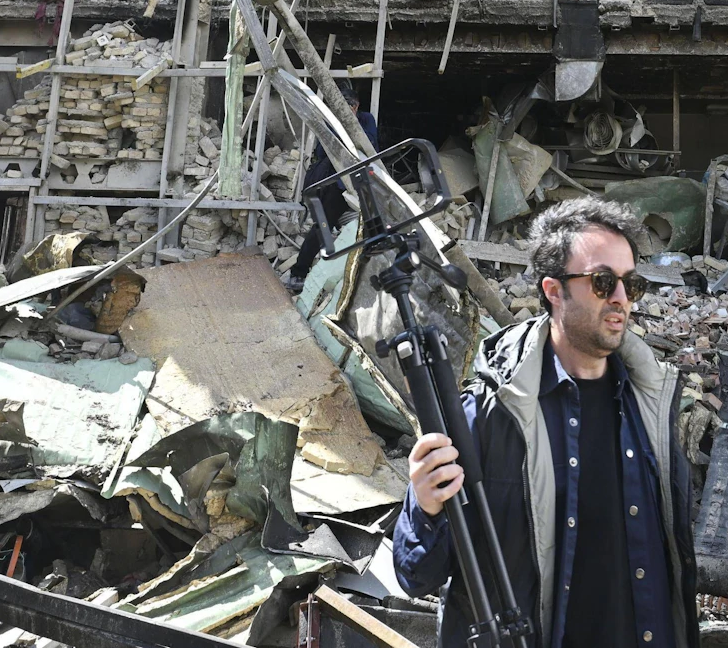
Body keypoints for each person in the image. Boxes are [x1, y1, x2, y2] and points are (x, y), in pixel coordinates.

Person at [393, 196, 698, 648]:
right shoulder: (491, 415)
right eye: (602, 281)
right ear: (554, 291)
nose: (620, 299)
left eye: (630, 284)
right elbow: (417, 577)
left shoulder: (652, 405)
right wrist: (425, 506)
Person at [286, 79, 377, 289]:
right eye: (341, 109)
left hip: (359, 183)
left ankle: (360, 278)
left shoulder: (365, 119)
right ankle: (299, 273)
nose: (347, 112)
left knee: (369, 228)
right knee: (322, 228)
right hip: (336, 185)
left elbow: (370, 145)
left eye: (350, 108)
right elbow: (321, 152)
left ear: (356, 106)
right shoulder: (331, 122)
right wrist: (339, 130)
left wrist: (351, 129)